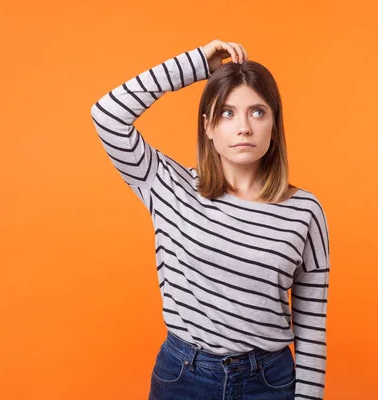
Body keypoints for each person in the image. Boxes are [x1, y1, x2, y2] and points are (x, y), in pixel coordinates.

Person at [90, 39, 330, 400]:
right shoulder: (168, 186)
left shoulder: (305, 211)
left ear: (275, 126)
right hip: (183, 377)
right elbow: (107, 114)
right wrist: (198, 64)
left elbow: (312, 325)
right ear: (208, 127)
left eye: (258, 112)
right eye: (227, 113)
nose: (244, 127)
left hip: (269, 382)